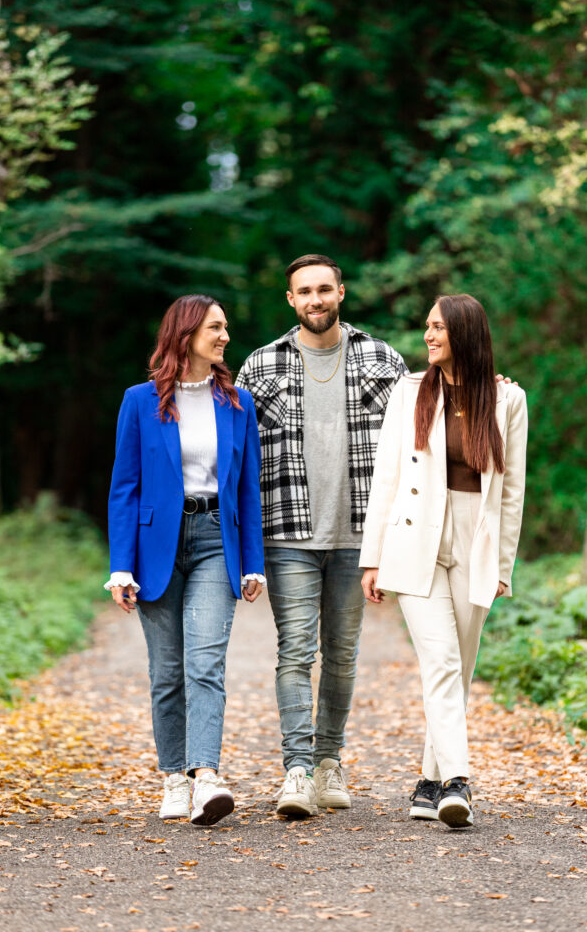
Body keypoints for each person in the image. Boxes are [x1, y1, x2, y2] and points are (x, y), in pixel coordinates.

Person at [237, 255, 408, 816]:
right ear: (291, 299)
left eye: (324, 290)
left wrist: (490, 383)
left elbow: (424, 426)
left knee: (342, 654)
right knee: (295, 653)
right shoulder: (260, 366)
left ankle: (331, 760)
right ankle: (297, 771)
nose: (315, 300)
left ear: (341, 292)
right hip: (287, 533)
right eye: (304, 292)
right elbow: (232, 453)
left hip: (360, 534)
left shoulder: (383, 359)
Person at [360, 294, 527, 829]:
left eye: (438, 328)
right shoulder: (408, 392)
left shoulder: (507, 401)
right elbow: (385, 478)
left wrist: (503, 566)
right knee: (441, 662)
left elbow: (512, 492)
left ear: (465, 333)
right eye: (427, 326)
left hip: (475, 538)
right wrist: (372, 559)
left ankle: (429, 783)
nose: (428, 335)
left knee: (459, 666)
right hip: (415, 541)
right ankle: (459, 782)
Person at [105, 294, 265, 826]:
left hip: (217, 537)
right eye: (215, 328)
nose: (224, 337)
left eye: (225, 327)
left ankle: (206, 777)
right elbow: (125, 488)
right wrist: (120, 566)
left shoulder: (238, 403)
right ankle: (173, 776)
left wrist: (253, 561)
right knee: (167, 670)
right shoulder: (139, 400)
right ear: (186, 333)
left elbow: (247, 490)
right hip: (157, 545)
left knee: (205, 663)